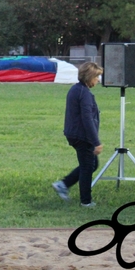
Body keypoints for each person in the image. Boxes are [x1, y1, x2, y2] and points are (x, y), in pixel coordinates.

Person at [52, 62, 104, 207]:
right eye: (97, 76)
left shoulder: (76, 89)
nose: (98, 80)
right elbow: (87, 119)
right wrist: (96, 142)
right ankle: (85, 201)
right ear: (89, 77)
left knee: (92, 164)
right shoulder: (85, 94)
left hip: (74, 133)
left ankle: (63, 184)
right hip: (82, 136)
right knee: (88, 166)